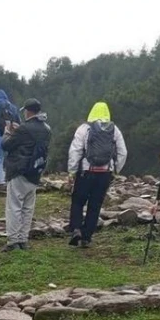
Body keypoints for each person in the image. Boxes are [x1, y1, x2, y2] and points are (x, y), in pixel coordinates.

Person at [66, 101, 128, 248]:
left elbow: (75, 150)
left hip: (86, 172)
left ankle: (76, 229)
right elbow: (123, 152)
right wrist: (116, 169)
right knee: (95, 205)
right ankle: (87, 237)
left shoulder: (84, 128)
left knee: (78, 201)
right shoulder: (114, 130)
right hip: (104, 173)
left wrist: (72, 171)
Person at [1, 99, 52, 252]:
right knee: (28, 208)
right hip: (35, 172)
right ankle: (23, 239)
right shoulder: (47, 129)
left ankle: (13, 241)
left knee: (14, 207)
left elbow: (6, 145)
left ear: (28, 111)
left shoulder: (24, 129)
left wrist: (7, 132)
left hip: (19, 170)